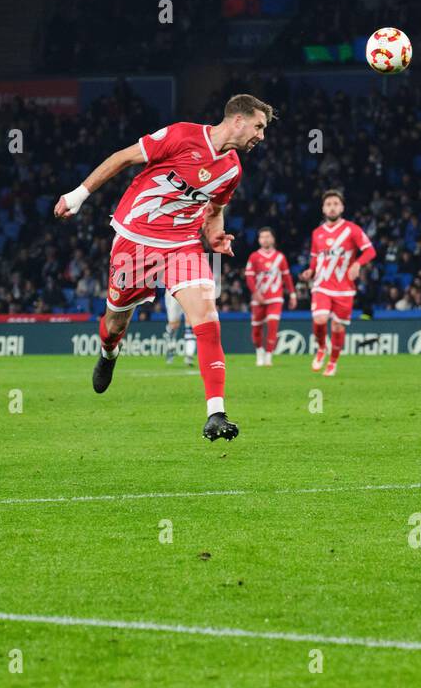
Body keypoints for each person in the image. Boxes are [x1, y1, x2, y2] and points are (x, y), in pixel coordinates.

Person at [54, 94, 275, 441]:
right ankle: (108, 353)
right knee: (114, 323)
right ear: (237, 120)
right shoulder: (182, 135)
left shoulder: (232, 169)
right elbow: (123, 157)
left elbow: (214, 211)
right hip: (134, 240)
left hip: (183, 246)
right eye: (259, 127)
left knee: (207, 318)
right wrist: (78, 195)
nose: (261, 136)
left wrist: (215, 238)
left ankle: (216, 412)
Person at [307, 190, 375, 376]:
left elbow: (370, 251)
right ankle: (322, 348)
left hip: (344, 288)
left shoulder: (352, 230)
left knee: (338, 327)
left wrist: (357, 264)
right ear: (323, 208)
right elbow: (314, 258)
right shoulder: (317, 233)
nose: (332, 207)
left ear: (342, 207)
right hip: (321, 285)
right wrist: (310, 271)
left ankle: (333, 362)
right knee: (320, 319)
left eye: (336, 203)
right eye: (328, 204)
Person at [245, 227, 295, 366]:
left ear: (273, 239)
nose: (265, 239)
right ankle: (259, 352)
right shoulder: (254, 256)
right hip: (258, 298)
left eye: (268, 236)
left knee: (273, 324)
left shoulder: (280, 257)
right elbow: (249, 277)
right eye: (262, 237)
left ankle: (268, 356)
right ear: (259, 240)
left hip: (275, 297)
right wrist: (255, 293)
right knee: (256, 330)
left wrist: (292, 294)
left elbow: (287, 277)